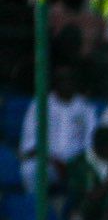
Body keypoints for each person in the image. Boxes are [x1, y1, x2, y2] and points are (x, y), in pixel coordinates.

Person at [18, 63, 96, 192]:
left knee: (92, 175)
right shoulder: (40, 104)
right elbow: (29, 145)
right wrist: (53, 161)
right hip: (48, 162)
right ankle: (36, 210)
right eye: (61, 79)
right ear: (55, 82)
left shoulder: (86, 108)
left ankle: (77, 211)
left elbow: (91, 145)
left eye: (70, 79)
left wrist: (75, 164)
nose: (66, 83)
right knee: (29, 170)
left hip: (77, 165)